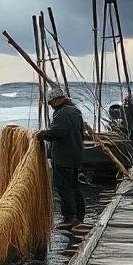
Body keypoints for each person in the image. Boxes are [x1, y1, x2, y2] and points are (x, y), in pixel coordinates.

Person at [36, 86, 86, 228]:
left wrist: (41, 135)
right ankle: (79, 216)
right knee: (74, 186)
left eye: (51, 103)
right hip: (75, 155)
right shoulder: (75, 111)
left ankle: (69, 218)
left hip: (64, 157)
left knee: (63, 187)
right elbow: (80, 133)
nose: (50, 106)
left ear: (57, 100)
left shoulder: (62, 113)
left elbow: (59, 132)